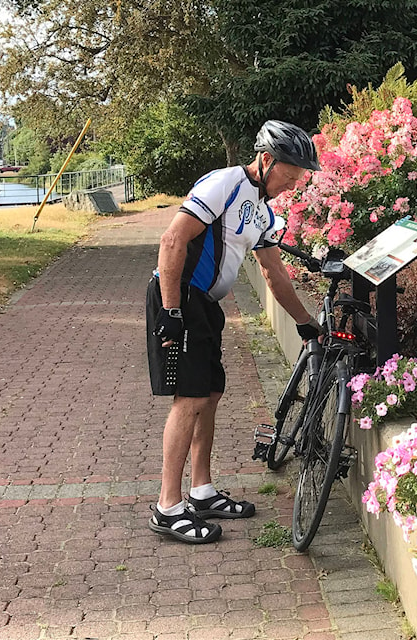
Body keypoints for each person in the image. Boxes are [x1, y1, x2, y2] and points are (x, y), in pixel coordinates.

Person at [145, 120, 322, 543]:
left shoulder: (263, 211)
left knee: (209, 394)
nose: (293, 184)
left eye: (299, 178)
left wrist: (305, 322)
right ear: (267, 160)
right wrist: (171, 311)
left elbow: (274, 272)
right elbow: (173, 241)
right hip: (180, 297)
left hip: (205, 306)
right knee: (188, 399)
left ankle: (201, 491)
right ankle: (168, 507)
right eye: (290, 175)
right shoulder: (224, 184)